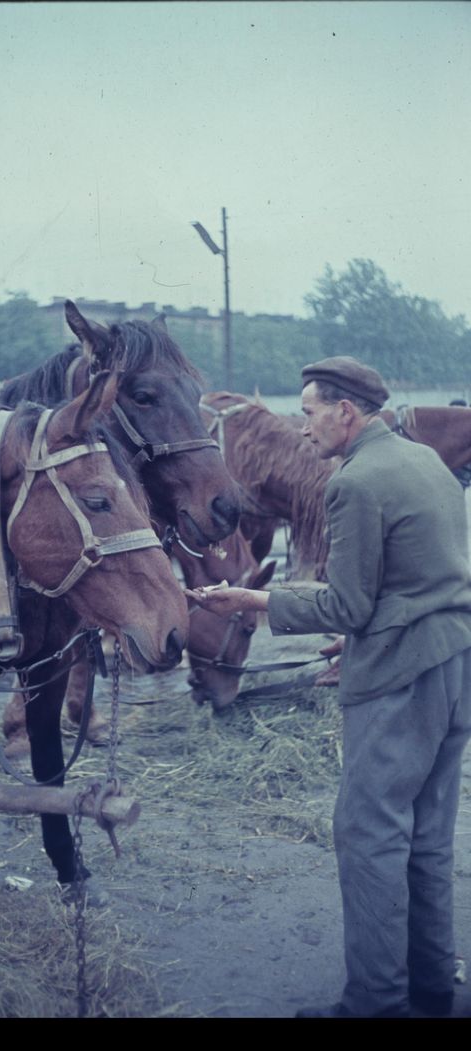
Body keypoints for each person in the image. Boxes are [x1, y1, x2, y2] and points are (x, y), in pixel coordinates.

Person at [187, 355, 471, 1018]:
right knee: (426, 830)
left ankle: (375, 1000)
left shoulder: (354, 481)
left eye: (309, 410)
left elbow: (346, 604)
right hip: (456, 665)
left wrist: (249, 602)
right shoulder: (425, 460)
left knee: (368, 832)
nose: (302, 425)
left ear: (346, 411)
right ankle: (431, 985)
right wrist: (363, 629)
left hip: (401, 678)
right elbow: (425, 575)